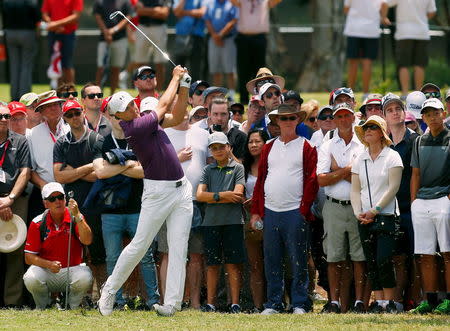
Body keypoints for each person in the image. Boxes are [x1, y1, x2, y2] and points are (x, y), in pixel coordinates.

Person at [97, 66, 193, 317]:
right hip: (157, 192)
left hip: (182, 188)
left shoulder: (145, 118)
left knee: (178, 247)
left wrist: (184, 87)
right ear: (119, 116)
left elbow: (178, 113)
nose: (134, 107)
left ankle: (171, 304)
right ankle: (109, 290)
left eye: (132, 103)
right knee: (139, 245)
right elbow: (162, 106)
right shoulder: (136, 127)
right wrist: (174, 77)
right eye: (128, 107)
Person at [251, 104, 318, 315]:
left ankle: (300, 303)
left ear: (297, 120)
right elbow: (261, 180)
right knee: (272, 259)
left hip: (294, 212)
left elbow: (312, 180)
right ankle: (274, 303)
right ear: (277, 122)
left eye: (291, 118)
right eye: (283, 118)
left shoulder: (307, 146)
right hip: (270, 211)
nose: (287, 122)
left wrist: (303, 209)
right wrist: (256, 211)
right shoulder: (269, 147)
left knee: (298, 259)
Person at [92, 107, 159, 310]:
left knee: (146, 256)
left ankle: (152, 300)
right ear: (108, 117)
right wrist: (129, 163)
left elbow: (145, 171)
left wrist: (117, 165)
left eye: (120, 115)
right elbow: (101, 172)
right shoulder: (101, 140)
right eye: (113, 115)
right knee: (112, 257)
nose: (117, 119)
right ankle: (117, 301)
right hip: (110, 210)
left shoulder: (137, 137)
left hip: (138, 207)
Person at [52, 99, 106, 302]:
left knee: (98, 252)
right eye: (69, 115)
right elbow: (59, 177)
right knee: (74, 253)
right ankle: (77, 296)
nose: (74, 118)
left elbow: (99, 174)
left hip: (95, 203)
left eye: (76, 113)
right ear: (64, 118)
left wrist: (72, 171)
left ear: (83, 112)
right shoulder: (61, 142)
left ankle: (100, 295)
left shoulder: (97, 140)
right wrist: (86, 167)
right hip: (71, 204)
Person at [317, 102, 366, 313]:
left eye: (347, 115)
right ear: (335, 120)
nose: (344, 120)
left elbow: (364, 179)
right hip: (333, 206)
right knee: (334, 256)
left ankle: (358, 302)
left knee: (358, 256)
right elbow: (321, 180)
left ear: (353, 118)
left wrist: (336, 170)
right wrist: (348, 170)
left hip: (358, 206)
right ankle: (334, 301)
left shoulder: (363, 143)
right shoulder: (327, 145)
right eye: (339, 116)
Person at [351, 115, 403, 313]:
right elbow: (355, 190)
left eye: (373, 127)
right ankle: (379, 302)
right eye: (366, 127)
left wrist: (375, 210)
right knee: (371, 260)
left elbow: (393, 187)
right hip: (364, 217)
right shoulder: (359, 158)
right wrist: (358, 213)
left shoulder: (392, 156)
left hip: (387, 215)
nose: (368, 130)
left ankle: (390, 302)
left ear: (382, 133)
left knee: (383, 259)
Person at [158, 111, 209, 309]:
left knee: (196, 254)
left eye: (185, 105)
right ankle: (166, 301)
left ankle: (195, 302)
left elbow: (210, 164)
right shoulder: (162, 133)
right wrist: (176, 159)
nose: (183, 111)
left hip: (198, 201)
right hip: (170, 200)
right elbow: (154, 167)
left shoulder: (202, 134)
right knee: (167, 253)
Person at [196, 131, 245, 313]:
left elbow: (238, 194)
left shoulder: (238, 168)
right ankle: (210, 303)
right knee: (212, 264)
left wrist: (212, 197)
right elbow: (199, 195)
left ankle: (235, 303)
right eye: (214, 148)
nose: (218, 151)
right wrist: (223, 195)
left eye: (221, 147)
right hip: (211, 223)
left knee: (233, 264)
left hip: (233, 222)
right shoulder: (208, 170)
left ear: (229, 147)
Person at [23, 182, 93, 309]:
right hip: (47, 270)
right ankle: (44, 306)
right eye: (52, 199)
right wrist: (49, 264)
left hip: (73, 269)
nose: (58, 201)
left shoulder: (76, 217)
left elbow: (87, 240)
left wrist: (77, 215)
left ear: (65, 199)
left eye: (60, 197)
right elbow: (29, 257)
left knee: (85, 277)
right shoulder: (37, 222)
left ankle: (72, 306)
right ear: (45, 203)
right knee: (31, 278)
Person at [410, 98, 450, 314]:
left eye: (435, 113)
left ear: (443, 113)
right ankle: (430, 300)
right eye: (427, 114)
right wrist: (414, 201)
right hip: (422, 201)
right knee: (424, 254)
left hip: (444, 199)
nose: (432, 117)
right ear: (422, 117)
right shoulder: (419, 141)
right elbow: (415, 174)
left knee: (447, 252)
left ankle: (449, 300)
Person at [383, 94, 419, 312]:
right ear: (385, 116)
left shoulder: (415, 140)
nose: (395, 112)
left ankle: (413, 300)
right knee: (397, 257)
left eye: (398, 108)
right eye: (390, 110)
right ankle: (396, 301)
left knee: (415, 257)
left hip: (412, 207)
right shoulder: (383, 143)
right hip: (390, 210)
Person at [0, 104, 31, 308]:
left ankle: (12, 302)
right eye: (0, 116)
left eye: (7, 116)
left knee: (15, 249)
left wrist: (9, 199)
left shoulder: (19, 141)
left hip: (15, 199)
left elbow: (25, 172)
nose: (4, 119)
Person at [230, 0, 283, 104]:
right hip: (243, 38)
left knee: (260, 71)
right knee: (243, 70)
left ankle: (260, 98)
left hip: (259, 38)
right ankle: (244, 99)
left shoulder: (265, 1)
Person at [381, 0, 437, 98]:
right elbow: (432, 12)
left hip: (404, 33)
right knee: (419, 65)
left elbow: (385, 3)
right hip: (422, 32)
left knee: (403, 65)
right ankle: (419, 95)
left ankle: (405, 93)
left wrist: (384, 17)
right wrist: (421, 19)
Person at [27, 91, 69, 221]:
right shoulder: (33, 135)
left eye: (56, 104)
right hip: (44, 192)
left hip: (71, 189)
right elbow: (30, 169)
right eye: (48, 106)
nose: (53, 108)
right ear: (41, 111)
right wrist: (43, 185)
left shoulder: (72, 130)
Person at [242, 128, 269, 312]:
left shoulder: (273, 164)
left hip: (271, 216)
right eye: (250, 141)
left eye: (257, 141)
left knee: (273, 263)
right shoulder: (243, 166)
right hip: (249, 219)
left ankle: (278, 302)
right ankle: (258, 305)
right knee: (255, 266)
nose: (253, 145)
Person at [1, 0, 40, 101]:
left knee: (14, 66)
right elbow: (36, 15)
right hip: (27, 32)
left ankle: (14, 96)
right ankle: (25, 97)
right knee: (26, 66)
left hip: (10, 32)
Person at [343, 0, 384, 96]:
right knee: (367, 62)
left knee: (353, 63)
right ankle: (365, 93)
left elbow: (346, 9)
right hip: (371, 30)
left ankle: (349, 94)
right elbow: (384, 5)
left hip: (354, 29)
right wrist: (383, 17)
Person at [93, 0, 132, 94]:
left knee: (116, 68)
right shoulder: (100, 2)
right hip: (104, 39)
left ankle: (112, 95)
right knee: (101, 68)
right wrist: (106, 32)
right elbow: (97, 16)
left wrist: (113, 30)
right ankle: (97, 94)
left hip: (120, 39)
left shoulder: (125, 2)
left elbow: (128, 17)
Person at [41, 0, 83, 84]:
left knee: (67, 64)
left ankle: (70, 93)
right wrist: (53, 25)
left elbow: (76, 16)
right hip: (53, 33)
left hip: (68, 34)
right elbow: (45, 13)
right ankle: (57, 92)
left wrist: (56, 24)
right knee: (55, 63)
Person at [204, 0, 238, 98]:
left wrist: (221, 35)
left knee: (230, 69)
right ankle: (217, 94)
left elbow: (234, 20)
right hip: (213, 39)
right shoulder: (210, 3)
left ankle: (231, 95)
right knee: (215, 69)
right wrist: (215, 36)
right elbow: (207, 20)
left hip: (228, 39)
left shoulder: (231, 3)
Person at [134, 0, 171, 86]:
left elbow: (164, 14)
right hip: (143, 27)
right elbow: (139, 11)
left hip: (159, 28)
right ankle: (143, 89)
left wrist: (146, 10)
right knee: (140, 62)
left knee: (159, 62)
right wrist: (156, 11)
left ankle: (159, 93)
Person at [173, 0, 207, 80]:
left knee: (196, 67)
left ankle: (196, 91)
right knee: (179, 67)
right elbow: (177, 12)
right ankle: (177, 90)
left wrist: (184, 12)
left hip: (197, 37)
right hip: (181, 36)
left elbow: (201, 13)